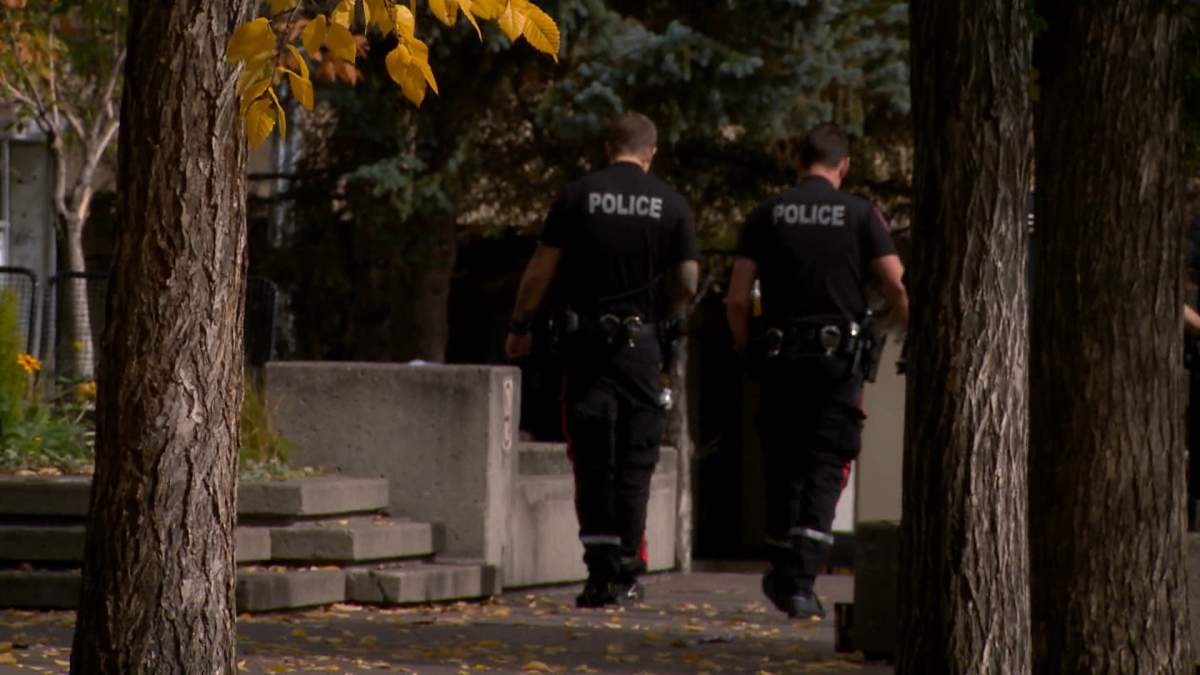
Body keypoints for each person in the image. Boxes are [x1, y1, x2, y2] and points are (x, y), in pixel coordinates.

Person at [506, 111, 700, 608]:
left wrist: (521, 326)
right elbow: (688, 282)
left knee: (592, 460)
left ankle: (599, 576)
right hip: (642, 347)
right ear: (650, 152)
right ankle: (629, 574)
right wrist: (672, 315)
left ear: (606, 148)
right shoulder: (671, 203)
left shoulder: (577, 196)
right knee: (636, 461)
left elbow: (539, 270)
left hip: (587, 345)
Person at [725, 123, 908, 619]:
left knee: (783, 461)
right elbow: (895, 284)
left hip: (781, 360)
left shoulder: (766, 214)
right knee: (827, 463)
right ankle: (802, 580)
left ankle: (783, 566)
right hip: (837, 364)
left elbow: (739, 297)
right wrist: (914, 337)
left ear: (797, 161)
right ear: (843, 166)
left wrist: (746, 351)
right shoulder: (860, 214)